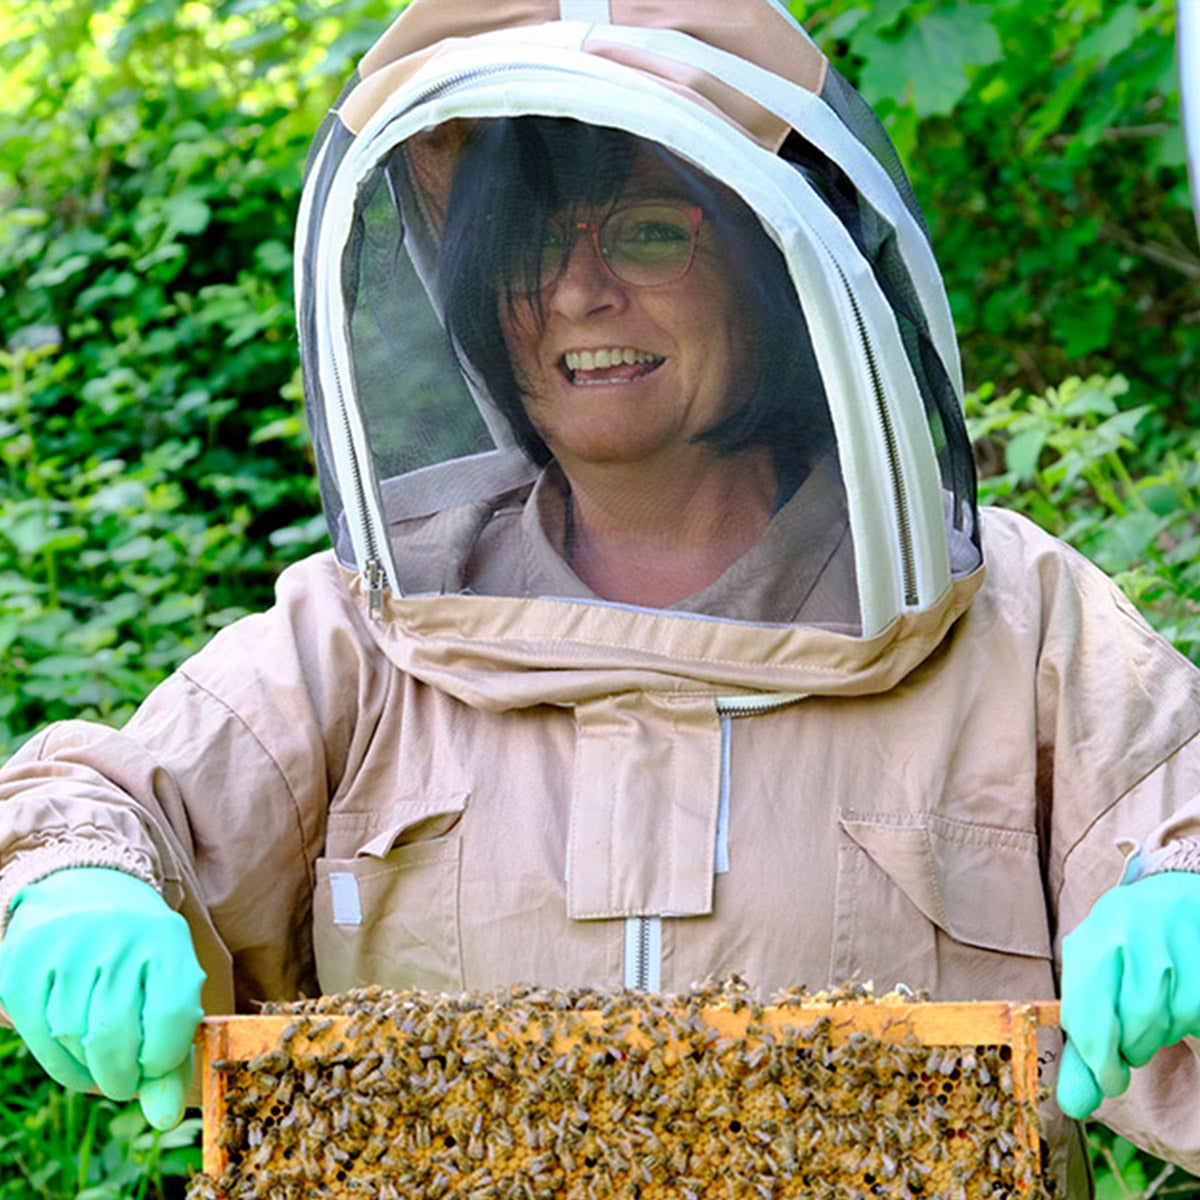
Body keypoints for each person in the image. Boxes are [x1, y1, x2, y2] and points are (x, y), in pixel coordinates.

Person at [1, 3, 1199, 1195]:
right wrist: (78, 885)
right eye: (527, 247)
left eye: (644, 234)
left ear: (772, 266)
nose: (575, 293)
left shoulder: (1018, 621)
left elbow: (1178, 816)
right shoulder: (361, 633)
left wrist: (1180, 898)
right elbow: (101, 800)